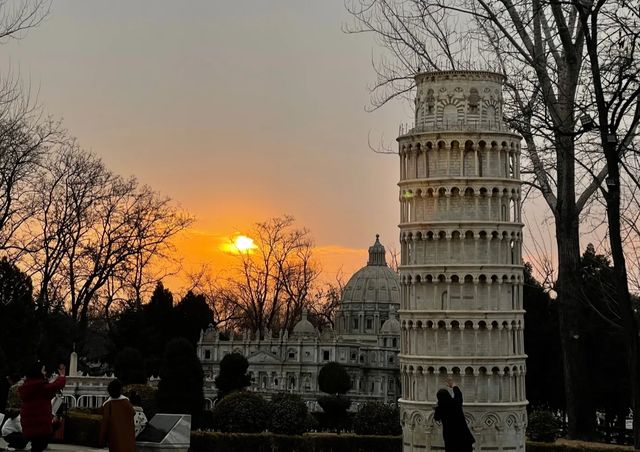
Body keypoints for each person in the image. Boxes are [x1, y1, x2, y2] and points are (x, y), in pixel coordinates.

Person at [18, 362, 66, 452]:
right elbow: (56, 386)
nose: (45, 373)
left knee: (37, 445)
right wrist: (62, 376)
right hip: (39, 423)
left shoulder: (27, 386)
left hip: (29, 422)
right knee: (39, 445)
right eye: (43, 370)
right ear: (38, 372)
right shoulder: (40, 386)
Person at [433, 377, 475, 452]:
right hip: (464, 438)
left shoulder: (441, 408)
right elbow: (459, 395)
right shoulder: (456, 403)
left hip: (450, 439)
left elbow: (436, 417)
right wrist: (454, 386)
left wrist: (437, 407)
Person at [100, 380, 135, 452]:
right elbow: (132, 413)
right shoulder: (126, 403)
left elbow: (105, 423)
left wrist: (101, 439)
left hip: (114, 439)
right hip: (128, 439)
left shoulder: (108, 405)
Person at [1, 373, 28, 450]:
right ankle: (21, 444)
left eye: (9, 379)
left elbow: (12, 402)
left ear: (12, 380)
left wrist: (9, 410)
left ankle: (16, 444)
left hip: (15, 412)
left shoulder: (13, 387)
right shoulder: (24, 384)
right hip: (24, 410)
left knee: (6, 429)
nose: (8, 381)